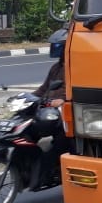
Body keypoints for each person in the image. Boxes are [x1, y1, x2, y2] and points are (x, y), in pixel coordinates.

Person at [35, 29, 69, 186]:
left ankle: (47, 174)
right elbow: (43, 89)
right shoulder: (56, 67)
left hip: (65, 114)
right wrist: (27, 98)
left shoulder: (76, 67)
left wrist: (63, 100)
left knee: (60, 142)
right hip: (48, 110)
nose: (55, 49)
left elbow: (75, 91)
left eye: (58, 46)